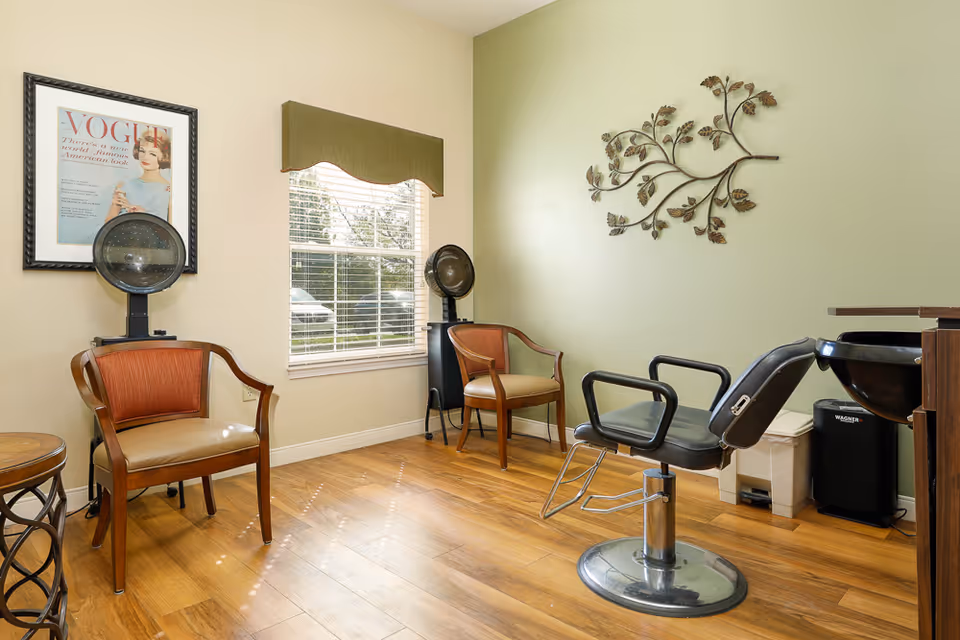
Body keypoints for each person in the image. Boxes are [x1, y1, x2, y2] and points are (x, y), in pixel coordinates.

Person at [105, 127, 172, 223]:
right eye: (142, 151)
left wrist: (143, 217)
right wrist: (115, 204)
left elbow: (171, 233)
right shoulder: (123, 185)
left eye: (152, 154)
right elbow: (108, 226)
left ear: (164, 156)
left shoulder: (169, 190)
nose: (145, 157)